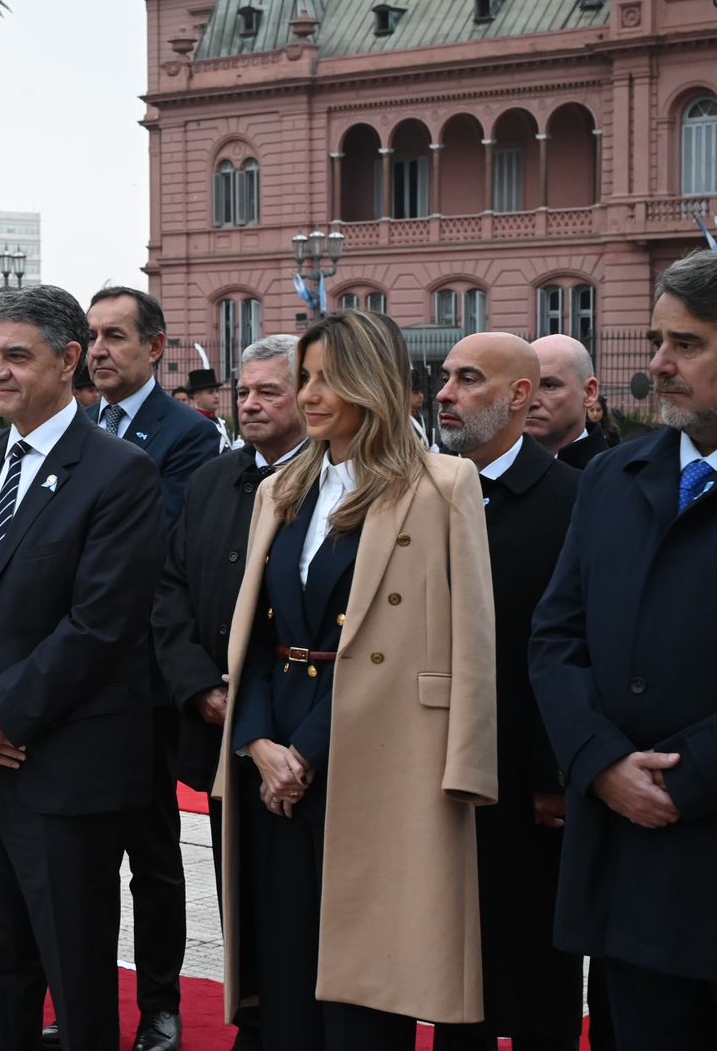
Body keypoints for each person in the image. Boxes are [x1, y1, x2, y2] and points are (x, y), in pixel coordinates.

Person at [216, 309, 497, 1049]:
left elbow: (470, 640)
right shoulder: (281, 490)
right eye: (304, 378)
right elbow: (256, 633)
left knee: (365, 988)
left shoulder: (442, 485)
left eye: (327, 379)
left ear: (371, 384)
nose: (309, 395)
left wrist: (307, 750)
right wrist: (257, 742)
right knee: (285, 968)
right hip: (274, 744)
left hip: (380, 753)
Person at [0, 285, 166, 1051]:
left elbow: (100, 625)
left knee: (75, 979)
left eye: (16, 356)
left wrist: (2, 716)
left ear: (68, 360)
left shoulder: (120, 473)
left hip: (62, 774)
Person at [530, 249, 717, 1050]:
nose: (659, 365)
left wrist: (689, 778)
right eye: (655, 341)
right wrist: (599, 761)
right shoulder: (613, 478)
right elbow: (556, 635)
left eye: (688, 344)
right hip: (627, 865)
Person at [60, 285, 220, 1051]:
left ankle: (161, 1004)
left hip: (145, 685)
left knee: (153, 859)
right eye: (92, 336)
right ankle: (80, 1003)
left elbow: (153, 546)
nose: (99, 350)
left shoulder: (187, 435)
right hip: (73, 683)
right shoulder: (75, 427)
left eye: (115, 336)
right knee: (75, 859)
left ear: (155, 347)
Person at [152, 334, 308, 1051]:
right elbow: (170, 590)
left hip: (299, 735)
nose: (250, 404)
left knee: (297, 898)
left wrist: (252, 707)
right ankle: (253, 1017)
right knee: (234, 889)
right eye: (244, 391)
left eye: (269, 391)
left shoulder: (335, 483)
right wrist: (196, 688)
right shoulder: (215, 479)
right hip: (215, 728)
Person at [433, 333, 583, 1051]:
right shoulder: (425, 490)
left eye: (468, 379)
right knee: (452, 966)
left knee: (538, 967)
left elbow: (574, 643)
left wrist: (554, 773)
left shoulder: (572, 500)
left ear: (520, 395)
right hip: (437, 768)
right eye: (445, 377)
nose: (444, 394)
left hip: (527, 783)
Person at [529, 334, 607, 470]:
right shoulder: (496, 471)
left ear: (589, 392)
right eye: (525, 388)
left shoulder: (615, 475)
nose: (531, 402)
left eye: (549, 386)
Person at [185, 368, 234, 451]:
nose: (216, 396)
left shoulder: (221, 422)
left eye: (217, 391)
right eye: (210, 392)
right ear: (197, 397)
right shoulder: (192, 425)